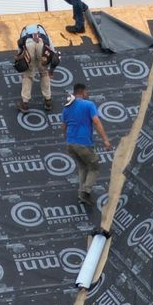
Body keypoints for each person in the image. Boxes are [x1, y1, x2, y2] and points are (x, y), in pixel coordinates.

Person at [62, 79, 112, 210]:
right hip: (83, 143)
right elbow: (96, 122)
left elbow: (64, 126)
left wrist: (67, 141)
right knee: (94, 167)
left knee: (83, 167)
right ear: (83, 92)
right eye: (86, 92)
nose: (87, 94)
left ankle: (81, 194)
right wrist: (106, 139)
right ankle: (86, 191)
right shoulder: (89, 105)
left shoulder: (67, 107)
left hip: (71, 143)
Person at [15, 23, 58, 112]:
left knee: (28, 75)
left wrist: (21, 62)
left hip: (28, 43)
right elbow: (54, 56)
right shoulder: (46, 35)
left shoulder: (23, 33)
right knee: (44, 73)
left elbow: (19, 53)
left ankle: (25, 104)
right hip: (42, 43)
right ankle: (48, 101)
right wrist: (51, 71)